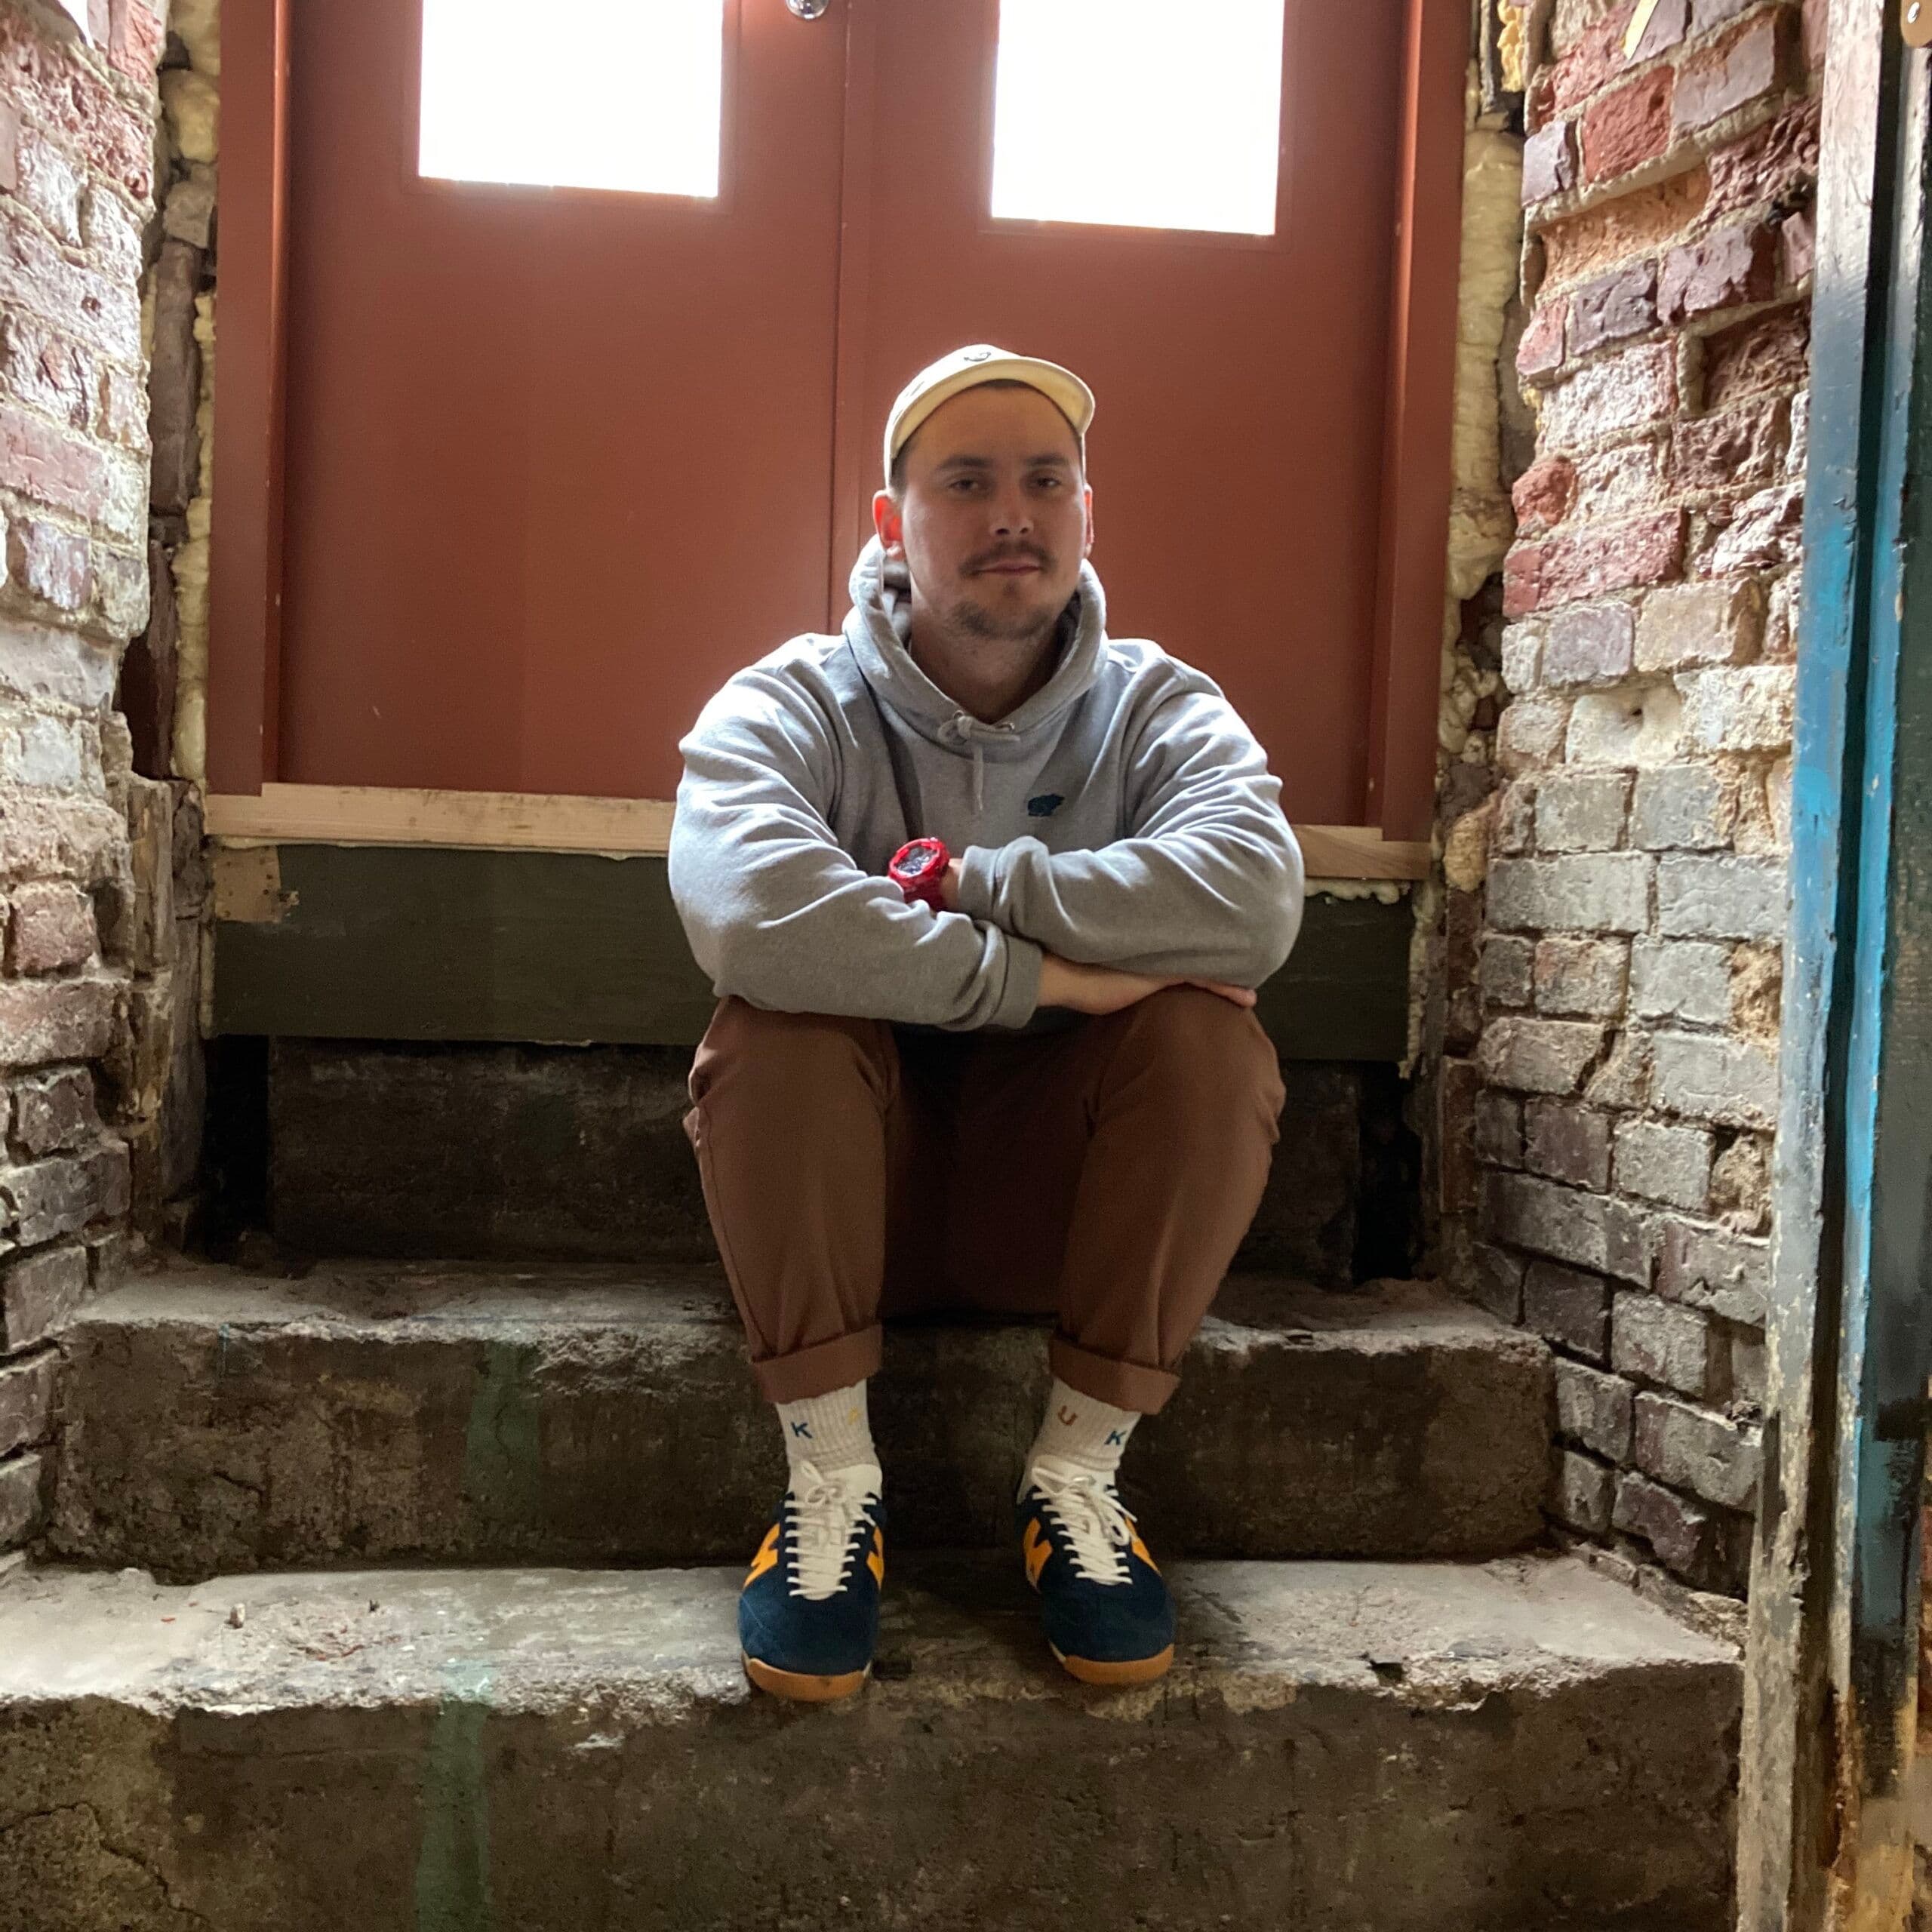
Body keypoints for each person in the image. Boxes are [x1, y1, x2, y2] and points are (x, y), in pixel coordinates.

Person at [669, 344, 1303, 1702]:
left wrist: (977, 884)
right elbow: (751, 915)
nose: (1014, 514)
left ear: (1087, 514)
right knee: (775, 1027)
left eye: (1045, 481)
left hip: (1067, 1210)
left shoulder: (1160, 705)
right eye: (966, 482)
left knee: (1209, 1046)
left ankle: (1077, 1479)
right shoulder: (790, 700)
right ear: (891, 524)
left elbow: (1253, 901)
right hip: (843, 1207)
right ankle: (830, 1486)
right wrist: (1059, 981)